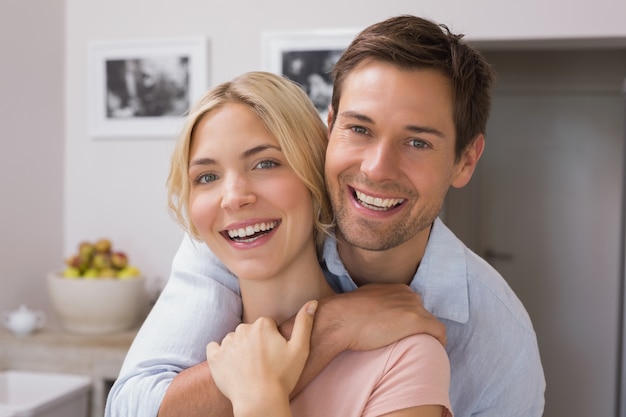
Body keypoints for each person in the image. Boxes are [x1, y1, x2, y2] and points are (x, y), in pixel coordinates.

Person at [106, 14, 545, 417]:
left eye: (417, 143)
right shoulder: (240, 236)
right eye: (359, 129)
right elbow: (130, 407)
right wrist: (333, 327)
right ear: (330, 128)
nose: (376, 168)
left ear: (466, 161)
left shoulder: (500, 339)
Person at [159, 70, 453, 417]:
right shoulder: (188, 368)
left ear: (315, 176)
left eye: (265, 163)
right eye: (207, 177)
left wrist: (260, 401)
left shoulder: (406, 359)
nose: (234, 197)